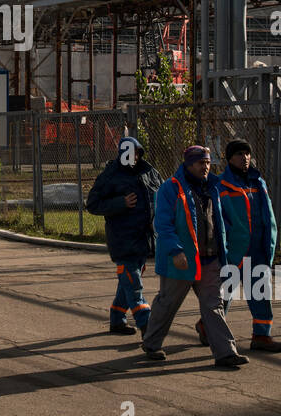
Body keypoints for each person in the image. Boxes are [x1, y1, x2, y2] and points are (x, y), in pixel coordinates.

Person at [141, 145, 247, 367]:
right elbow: (161, 224)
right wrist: (176, 250)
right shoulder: (170, 188)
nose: (206, 167)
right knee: (168, 303)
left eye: (208, 162)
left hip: (210, 259)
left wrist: (226, 249)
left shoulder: (214, 187)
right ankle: (151, 343)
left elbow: (223, 220)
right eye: (201, 163)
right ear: (189, 164)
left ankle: (226, 352)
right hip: (180, 260)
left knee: (213, 305)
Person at [86, 136, 161, 336]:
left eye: (136, 152)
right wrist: (120, 203)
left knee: (127, 280)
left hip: (144, 240)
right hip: (123, 240)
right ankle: (148, 327)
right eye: (129, 152)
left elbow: (162, 195)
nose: (133, 156)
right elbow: (92, 204)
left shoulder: (149, 172)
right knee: (134, 284)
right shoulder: (110, 175)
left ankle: (117, 319)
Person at [214, 138, 281, 352]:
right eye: (238, 154)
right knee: (224, 293)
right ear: (229, 158)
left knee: (261, 293)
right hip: (233, 250)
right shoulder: (220, 185)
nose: (244, 158)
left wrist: (269, 243)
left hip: (258, 248)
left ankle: (262, 336)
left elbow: (267, 215)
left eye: (247, 153)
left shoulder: (258, 182)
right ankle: (208, 327)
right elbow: (219, 218)